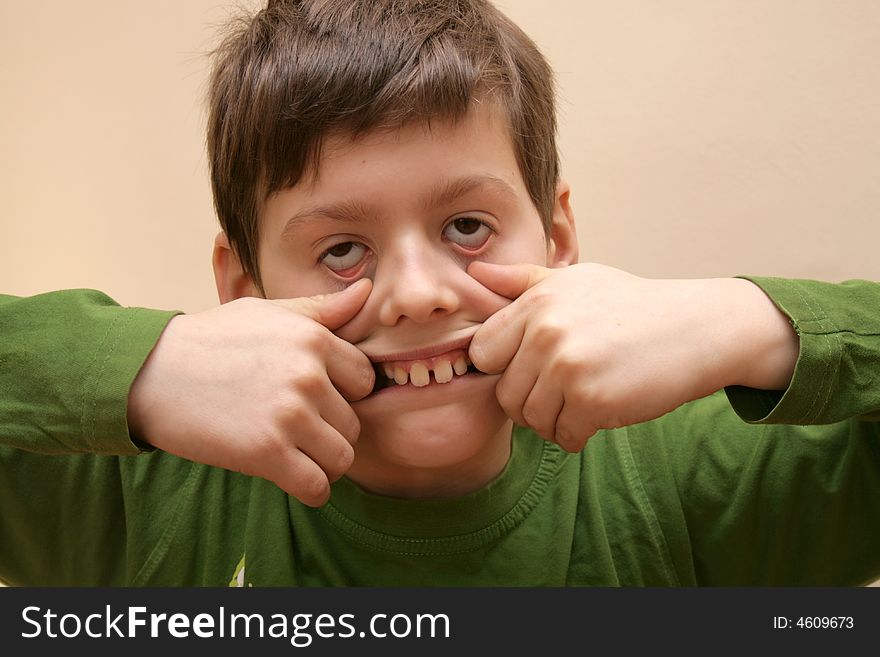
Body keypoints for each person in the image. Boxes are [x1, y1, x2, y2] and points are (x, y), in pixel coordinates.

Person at [1, 0, 879, 586]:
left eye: (467, 227)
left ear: (559, 240)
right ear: (243, 290)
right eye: (342, 247)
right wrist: (141, 366)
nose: (417, 294)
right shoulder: (143, 497)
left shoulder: (686, 477)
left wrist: (751, 322)